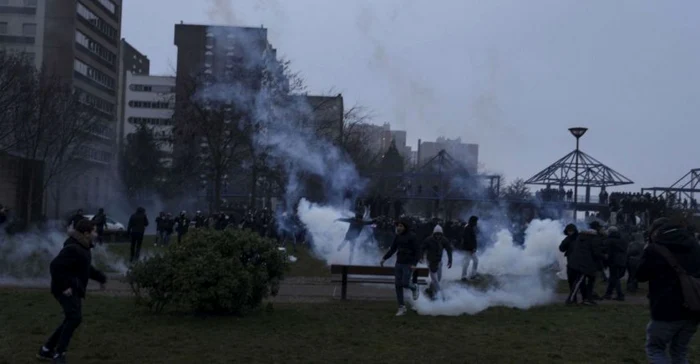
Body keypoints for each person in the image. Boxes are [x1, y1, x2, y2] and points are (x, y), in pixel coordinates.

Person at [37, 219, 107, 363]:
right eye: (93, 231)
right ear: (86, 233)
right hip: (65, 290)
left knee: (71, 318)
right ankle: (59, 354)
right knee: (74, 318)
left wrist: (101, 278)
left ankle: (46, 350)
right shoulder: (73, 248)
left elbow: (86, 268)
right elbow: (55, 266)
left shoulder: (84, 247)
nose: (96, 233)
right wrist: (64, 286)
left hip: (74, 288)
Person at [637, 218, 700, 363]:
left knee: (655, 348)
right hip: (694, 306)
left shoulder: (655, 249)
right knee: (680, 351)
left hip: (666, 307)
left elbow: (640, 275)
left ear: (655, 231)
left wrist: (646, 251)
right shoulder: (694, 245)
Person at [380, 219, 421, 316]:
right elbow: (393, 249)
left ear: (405, 227)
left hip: (408, 264)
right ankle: (401, 307)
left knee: (405, 283)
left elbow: (418, 251)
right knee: (398, 285)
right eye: (398, 226)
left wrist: (415, 263)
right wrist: (384, 258)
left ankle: (414, 287)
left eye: (401, 226)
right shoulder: (397, 237)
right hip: (398, 263)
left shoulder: (412, 237)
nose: (398, 227)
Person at [567, 221, 605, 306]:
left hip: (580, 262)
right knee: (580, 281)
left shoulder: (582, 236)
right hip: (586, 263)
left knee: (586, 281)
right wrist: (605, 256)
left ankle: (587, 299)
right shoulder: (594, 238)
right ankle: (571, 299)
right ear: (597, 228)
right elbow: (596, 252)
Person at [421, 225, 453, 300]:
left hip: (439, 261)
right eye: (436, 234)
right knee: (435, 279)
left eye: (439, 234)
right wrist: (421, 256)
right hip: (430, 261)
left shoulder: (444, 240)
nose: (438, 236)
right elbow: (422, 248)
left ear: (441, 234)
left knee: (438, 278)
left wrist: (450, 260)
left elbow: (449, 250)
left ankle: (430, 290)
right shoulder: (428, 240)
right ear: (434, 234)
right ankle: (440, 295)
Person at [603, 226, 628, 301]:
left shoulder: (609, 240)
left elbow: (607, 252)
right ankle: (608, 294)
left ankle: (620, 295)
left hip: (613, 261)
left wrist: (605, 262)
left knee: (615, 278)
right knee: (613, 277)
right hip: (622, 261)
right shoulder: (622, 240)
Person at [558, 223, 579, 304]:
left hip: (577, 262)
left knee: (577, 281)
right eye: (569, 231)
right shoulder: (568, 239)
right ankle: (574, 298)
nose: (570, 232)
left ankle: (574, 298)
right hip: (570, 261)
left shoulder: (578, 238)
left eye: (571, 231)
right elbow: (561, 248)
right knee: (571, 280)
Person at [461, 215, 479, 280]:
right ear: (473, 221)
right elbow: (467, 239)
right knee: (468, 261)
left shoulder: (470, 227)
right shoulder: (468, 228)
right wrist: (472, 248)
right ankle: (465, 276)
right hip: (468, 249)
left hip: (470, 248)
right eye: (476, 221)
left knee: (473, 261)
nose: (476, 223)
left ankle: (472, 274)